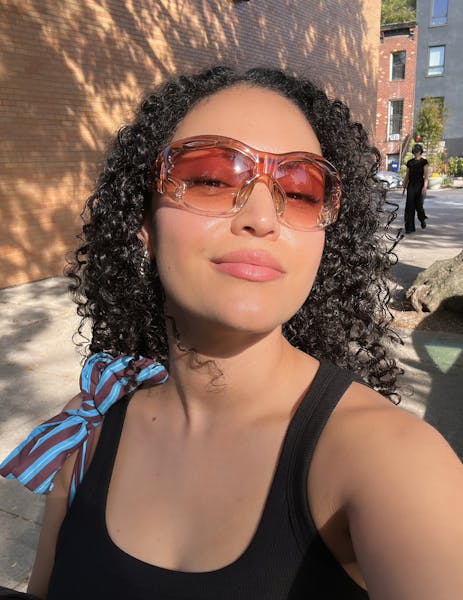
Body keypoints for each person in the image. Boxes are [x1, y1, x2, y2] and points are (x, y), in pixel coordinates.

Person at [1, 66, 463, 600]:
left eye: (301, 190)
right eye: (213, 180)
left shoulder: (395, 462)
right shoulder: (90, 430)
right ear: (144, 224)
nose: (262, 218)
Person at [402, 143, 429, 233]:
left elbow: (426, 176)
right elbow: (407, 175)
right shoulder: (410, 162)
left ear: (420, 152)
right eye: (415, 151)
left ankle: (422, 219)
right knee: (409, 207)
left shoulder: (424, 162)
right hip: (411, 186)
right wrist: (404, 185)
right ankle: (409, 228)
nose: (416, 153)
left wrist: (425, 187)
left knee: (419, 206)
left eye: (417, 151)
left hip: (420, 186)